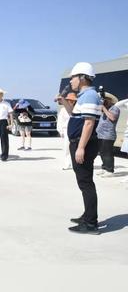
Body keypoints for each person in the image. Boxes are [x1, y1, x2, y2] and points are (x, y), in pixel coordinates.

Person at [57, 62, 102, 235]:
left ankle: (90, 223)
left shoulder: (89, 95)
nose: (71, 81)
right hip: (79, 142)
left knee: (86, 183)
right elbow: (74, 115)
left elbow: (89, 123)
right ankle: (87, 215)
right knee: (84, 182)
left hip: (84, 143)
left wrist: (81, 147)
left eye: (73, 77)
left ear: (82, 78)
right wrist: (63, 101)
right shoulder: (83, 96)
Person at [96, 92, 120, 177]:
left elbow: (112, 118)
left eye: (105, 100)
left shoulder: (115, 108)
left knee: (108, 153)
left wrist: (104, 109)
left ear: (110, 100)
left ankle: (110, 170)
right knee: (102, 153)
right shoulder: (104, 108)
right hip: (100, 135)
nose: (104, 101)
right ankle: (104, 168)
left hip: (108, 135)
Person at [56, 93, 77, 170]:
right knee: (66, 147)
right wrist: (60, 131)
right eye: (69, 100)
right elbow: (60, 121)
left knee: (75, 147)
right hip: (66, 130)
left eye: (72, 100)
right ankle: (67, 163)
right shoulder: (63, 110)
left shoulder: (77, 109)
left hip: (75, 130)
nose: (71, 102)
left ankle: (75, 163)